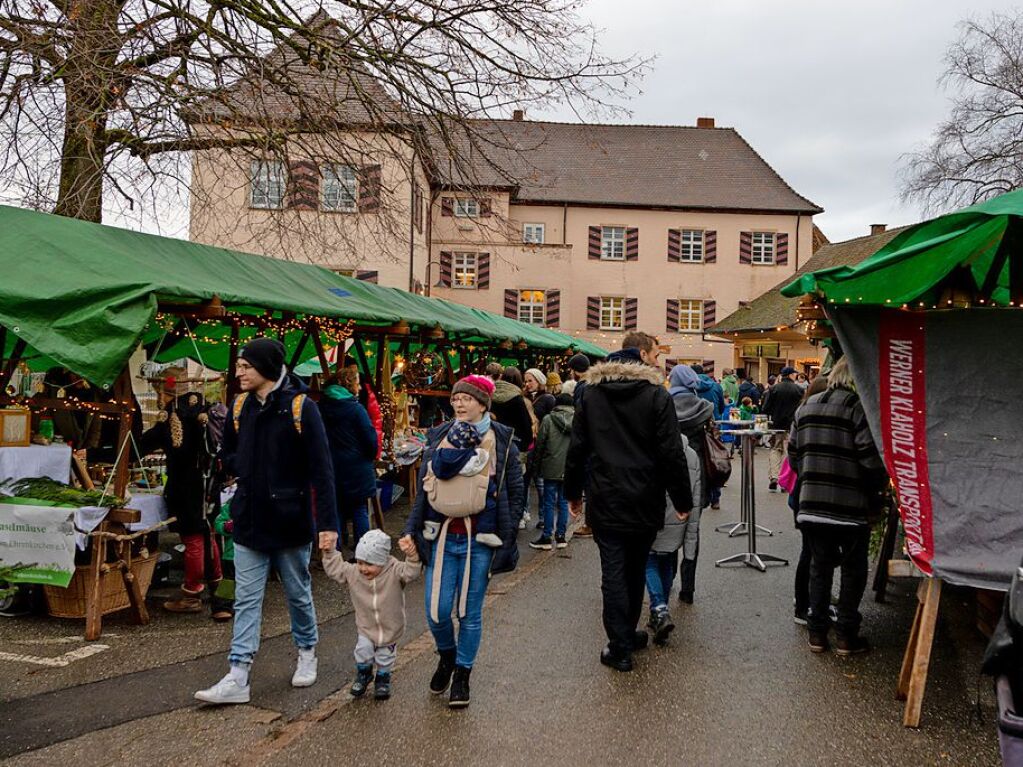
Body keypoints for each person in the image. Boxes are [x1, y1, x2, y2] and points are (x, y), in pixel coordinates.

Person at [195, 338, 338, 706]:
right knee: (246, 599)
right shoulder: (241, 406)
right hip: (249, 518)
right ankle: (238, 674)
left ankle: (307, 650)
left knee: (297, 593)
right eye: (239, 366)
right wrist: (238, 468)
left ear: (268, 369)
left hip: (290, 520)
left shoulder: (301, 407)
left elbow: (322, 471)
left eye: (247, 366)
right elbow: (227, 451)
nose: (239, 372)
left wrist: (328, 525)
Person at [565, 332, 692, 672]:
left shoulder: (591, 394)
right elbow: (671, 451)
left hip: (606, 495)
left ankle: (620, 641)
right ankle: (624, 636)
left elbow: (577, 448)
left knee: (615, 570)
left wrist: (573, 494)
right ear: (642, 359)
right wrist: (682, 498)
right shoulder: (655, 395)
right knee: (635, 567)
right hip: (645, 496)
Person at [401, 374, 523, 708]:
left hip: (480, 539)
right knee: (437, 612)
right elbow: (425, 492)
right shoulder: (439, 436)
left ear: (483, 403)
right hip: (439, 535)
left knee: (469, 612)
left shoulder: (501, 441)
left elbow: (515, 490)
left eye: (466, 398)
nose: (458, 403)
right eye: (455, 398)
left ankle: (463, 675)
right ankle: (447, 656)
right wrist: (410, 530)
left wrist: (508, 534)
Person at [788, 357, 888, 655]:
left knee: (820, 567)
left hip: (811, 503)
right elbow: (870, 460)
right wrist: (876, 490)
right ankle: (846, 634)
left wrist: (812, 476)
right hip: (849, 506)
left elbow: (793, 455)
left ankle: (817, 633)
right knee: (853, 569)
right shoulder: (857, 408)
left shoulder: (806, 407)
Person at [139, 378, 221, 614]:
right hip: (209, 485)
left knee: (193, 538)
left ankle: (191, 595)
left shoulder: (171, 419)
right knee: (208, 535)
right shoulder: (205, 410)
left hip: (185, 487)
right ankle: (219, 589)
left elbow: (142, 445)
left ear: (166, 394)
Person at [323, 529, 422, 701]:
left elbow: (411, 572)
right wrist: (329, 551)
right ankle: (364, 673)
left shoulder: (394, 571)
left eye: (369, 564)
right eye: (360, 562)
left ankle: (383, 678)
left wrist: (412, 556)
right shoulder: (354, 573)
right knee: (363, 650)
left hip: (391, 627)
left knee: (385, 656)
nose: (363, 568)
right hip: (366, 626)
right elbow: (336, 569)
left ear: (382, 561)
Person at [645, 429, 702, 644]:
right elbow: (695, 497)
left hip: (651, 516)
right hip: (679, 518)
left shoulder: (648, 447)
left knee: (648, 560)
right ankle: (659, 613)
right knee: (667, 561)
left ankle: (659, 609)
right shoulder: (691, 454)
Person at [665, 364, 715, 596]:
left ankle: (669, 576)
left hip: (671, 470)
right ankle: (688, 587)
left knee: (670, 525)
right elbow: (713, 437)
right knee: (693, 529)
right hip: (699, 474)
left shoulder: (664, 404)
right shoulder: (704, 407)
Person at [319, 366, 378, 549]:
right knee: (359, 509)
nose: (359, 388)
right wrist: (369, 456)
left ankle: (333, 553)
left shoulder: (320, 407)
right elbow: (370, 439)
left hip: (331, 467)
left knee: (335, 510)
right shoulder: (356, 409)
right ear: (348, 384)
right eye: (357, 384)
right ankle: (362, 552)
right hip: (356, 467)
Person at [420, 420, 504, 548]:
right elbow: (481, 476)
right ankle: (485, 530)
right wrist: (492, 489)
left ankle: (432, 524)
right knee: (489, 501)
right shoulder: (473, 457)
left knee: (432, 495)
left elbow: (431, 470)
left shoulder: (438, 456)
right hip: (470, 502)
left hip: (440, 504)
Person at [790, 373, 829, 626]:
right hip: (821, 494)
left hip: (803, 492)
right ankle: (809, 604)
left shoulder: (801, 412)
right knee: (816, 553)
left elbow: (793, 456)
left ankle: (803, 602)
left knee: (809, 550)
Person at [490, 366, 535, 527]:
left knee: (495, 480)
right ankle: (515, 518)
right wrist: (525, 446)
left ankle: (495, 516)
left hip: (492, 443)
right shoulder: (517, 399)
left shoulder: (491, 395)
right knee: (515, 484)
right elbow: (525, 426)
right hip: (513, 444)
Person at [530, 392, 574, 551]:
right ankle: (561, 536)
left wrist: (536, 464)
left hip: (550, 465)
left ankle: (546, 536)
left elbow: (540, 443)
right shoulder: (577, 420)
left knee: (549, 502)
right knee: (563, 502)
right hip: (568, 467)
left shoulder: (548, 420)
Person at [761, 366, 803, 492]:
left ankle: (774, 477)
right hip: (792, 426)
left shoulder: (773, 389)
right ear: (790, 375)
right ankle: (785, 480)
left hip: (776, 424)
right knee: (788, 452)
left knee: (775, 450)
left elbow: (765, 408)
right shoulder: (799, 390)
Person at [523, 368, 555, 528]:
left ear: (539, 381)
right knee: (524, 481)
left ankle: (543, 518)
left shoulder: (548, 399)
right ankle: (524, 512)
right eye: (526, 380)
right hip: (527, 445)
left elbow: (552, 423)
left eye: (530, 380)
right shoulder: (523, 398)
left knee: (541, 484)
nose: (527, 384)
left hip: (541, 446)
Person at [565, 353, 592, 536]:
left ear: (574, 370)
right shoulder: (592, 384)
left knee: (588, 482)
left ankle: (590, 523)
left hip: (587, 441)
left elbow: (581, 417)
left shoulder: (582, 387)